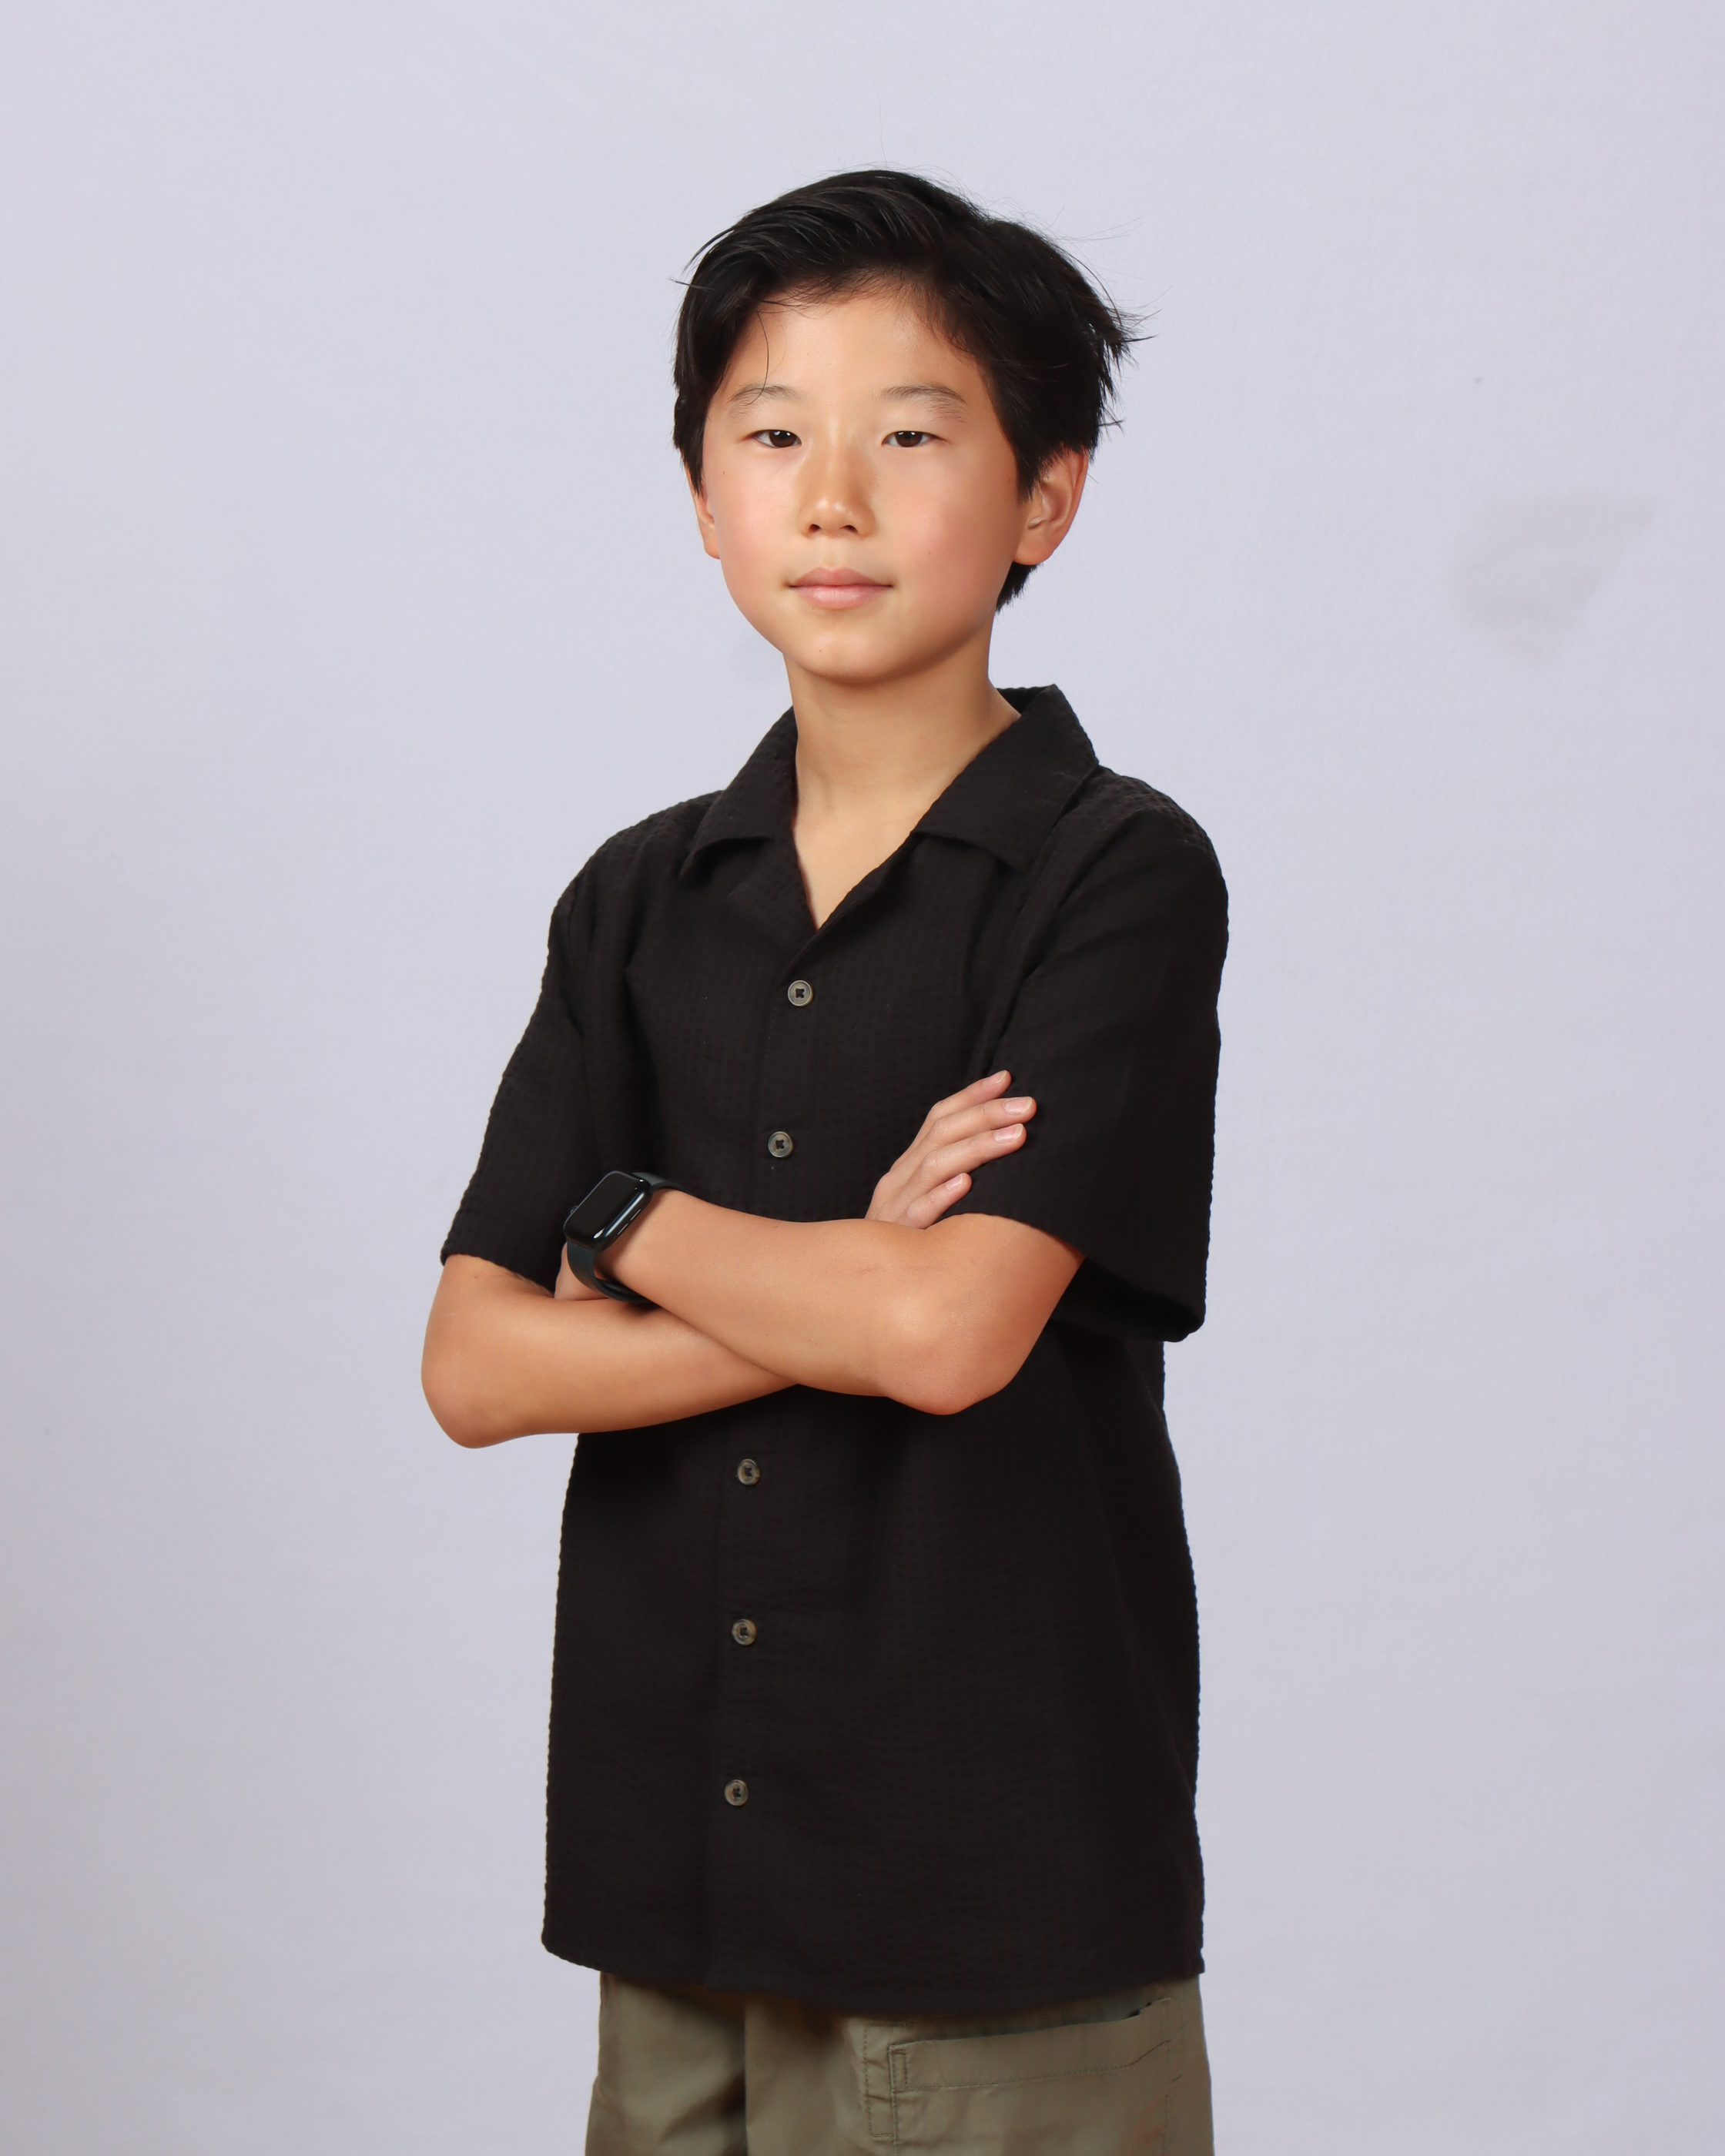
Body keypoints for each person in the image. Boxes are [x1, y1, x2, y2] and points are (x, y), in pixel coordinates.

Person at [423, 169, 1228, 2155]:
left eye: (913, 437)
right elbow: (478, 1366)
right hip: (675, 1888)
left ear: (1046, 497)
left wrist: (632, 1226)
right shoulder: (635, 899)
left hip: (989, 1901)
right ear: (704, 498)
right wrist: (835, 1276)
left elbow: (951, 1337)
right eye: (773, 437)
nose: (834, 500)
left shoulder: (1114, 872)